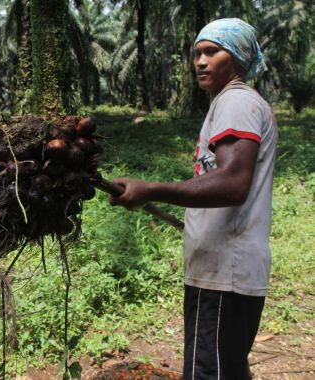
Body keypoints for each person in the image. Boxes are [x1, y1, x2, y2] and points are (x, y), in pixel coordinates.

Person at [108, 19, 277, 379]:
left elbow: (233, 182)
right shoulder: (233, 103)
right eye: (197, 53)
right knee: (225, 370)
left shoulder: (236, 102)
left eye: (212, 52)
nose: (201, 61)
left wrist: (151, 189)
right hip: (224, 271)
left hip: (223, 274)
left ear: (238, 57)